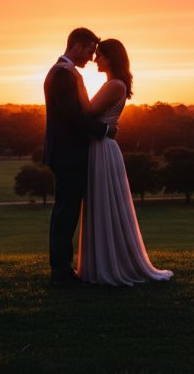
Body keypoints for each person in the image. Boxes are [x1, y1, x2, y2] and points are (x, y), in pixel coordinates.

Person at [76, 39, 173, 285]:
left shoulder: (114, 85)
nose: (96, 60)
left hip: (102, 149)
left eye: (100, 55)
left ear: (111, 58)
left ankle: (111, 264)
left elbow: (87, 111)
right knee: (100, 203)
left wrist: (76, 82)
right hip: (99, 146)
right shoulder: (113, 84)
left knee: (104, 202)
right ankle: (101, 263)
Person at [43, 27, 111, 286]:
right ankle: (61, 272)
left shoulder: (63, 72)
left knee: (65, 211)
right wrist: (104, 130)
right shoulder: (62, 74)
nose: (91, 57)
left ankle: (61, 269)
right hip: (68, 154)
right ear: (76, 46)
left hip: (66, 152)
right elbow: (73, 116)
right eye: (89, 51)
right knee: (66, 213)